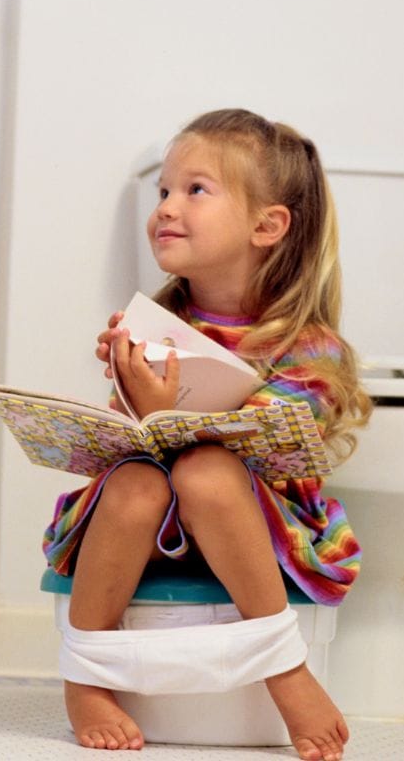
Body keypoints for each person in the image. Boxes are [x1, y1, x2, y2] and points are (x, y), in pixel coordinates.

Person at [45, 108, 368, 759]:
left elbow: (280, 450)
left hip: (256, 526)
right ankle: (87, 675)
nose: (166, 206)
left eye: (195, 190)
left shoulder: (310, 347)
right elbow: (132, 445)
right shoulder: (151, 324)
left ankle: (284, 666)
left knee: (207, 470)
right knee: (135, 482)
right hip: (151, 524)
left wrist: (182, 418)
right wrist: (138, 402)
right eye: (163, 189)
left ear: (267, 225)